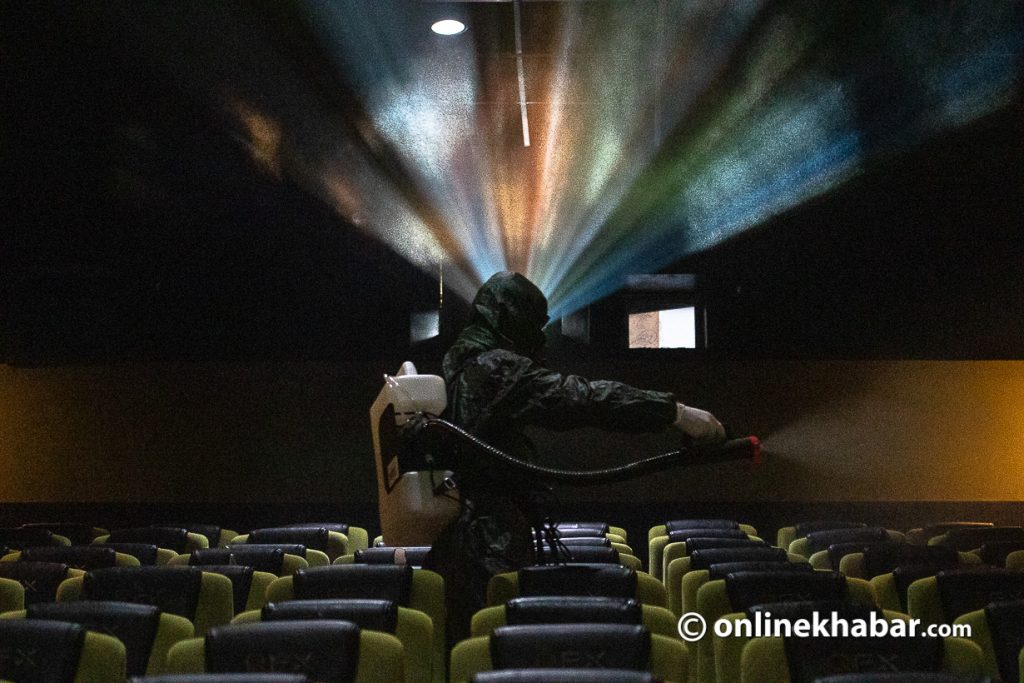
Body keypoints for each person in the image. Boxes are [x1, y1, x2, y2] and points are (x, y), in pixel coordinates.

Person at [425, 270, 725, 643]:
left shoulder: (460, 362)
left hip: (466, 542)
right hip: (487, 547)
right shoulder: (492, 367)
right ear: (511, 318)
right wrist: (673, 412)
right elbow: (579, 397)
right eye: (532, 324)